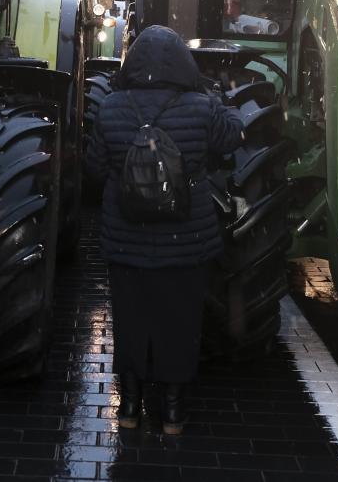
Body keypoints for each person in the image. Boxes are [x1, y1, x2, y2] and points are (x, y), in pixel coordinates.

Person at [84, 25, 243, 435]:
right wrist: (214, 96)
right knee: (180, 322)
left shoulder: (111, 107)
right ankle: (172, 412)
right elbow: (231, 140)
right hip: (186, 241)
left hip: (126, 240)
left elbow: (96, 168)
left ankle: (131, 408)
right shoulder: (200, 105)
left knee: (132, 320)